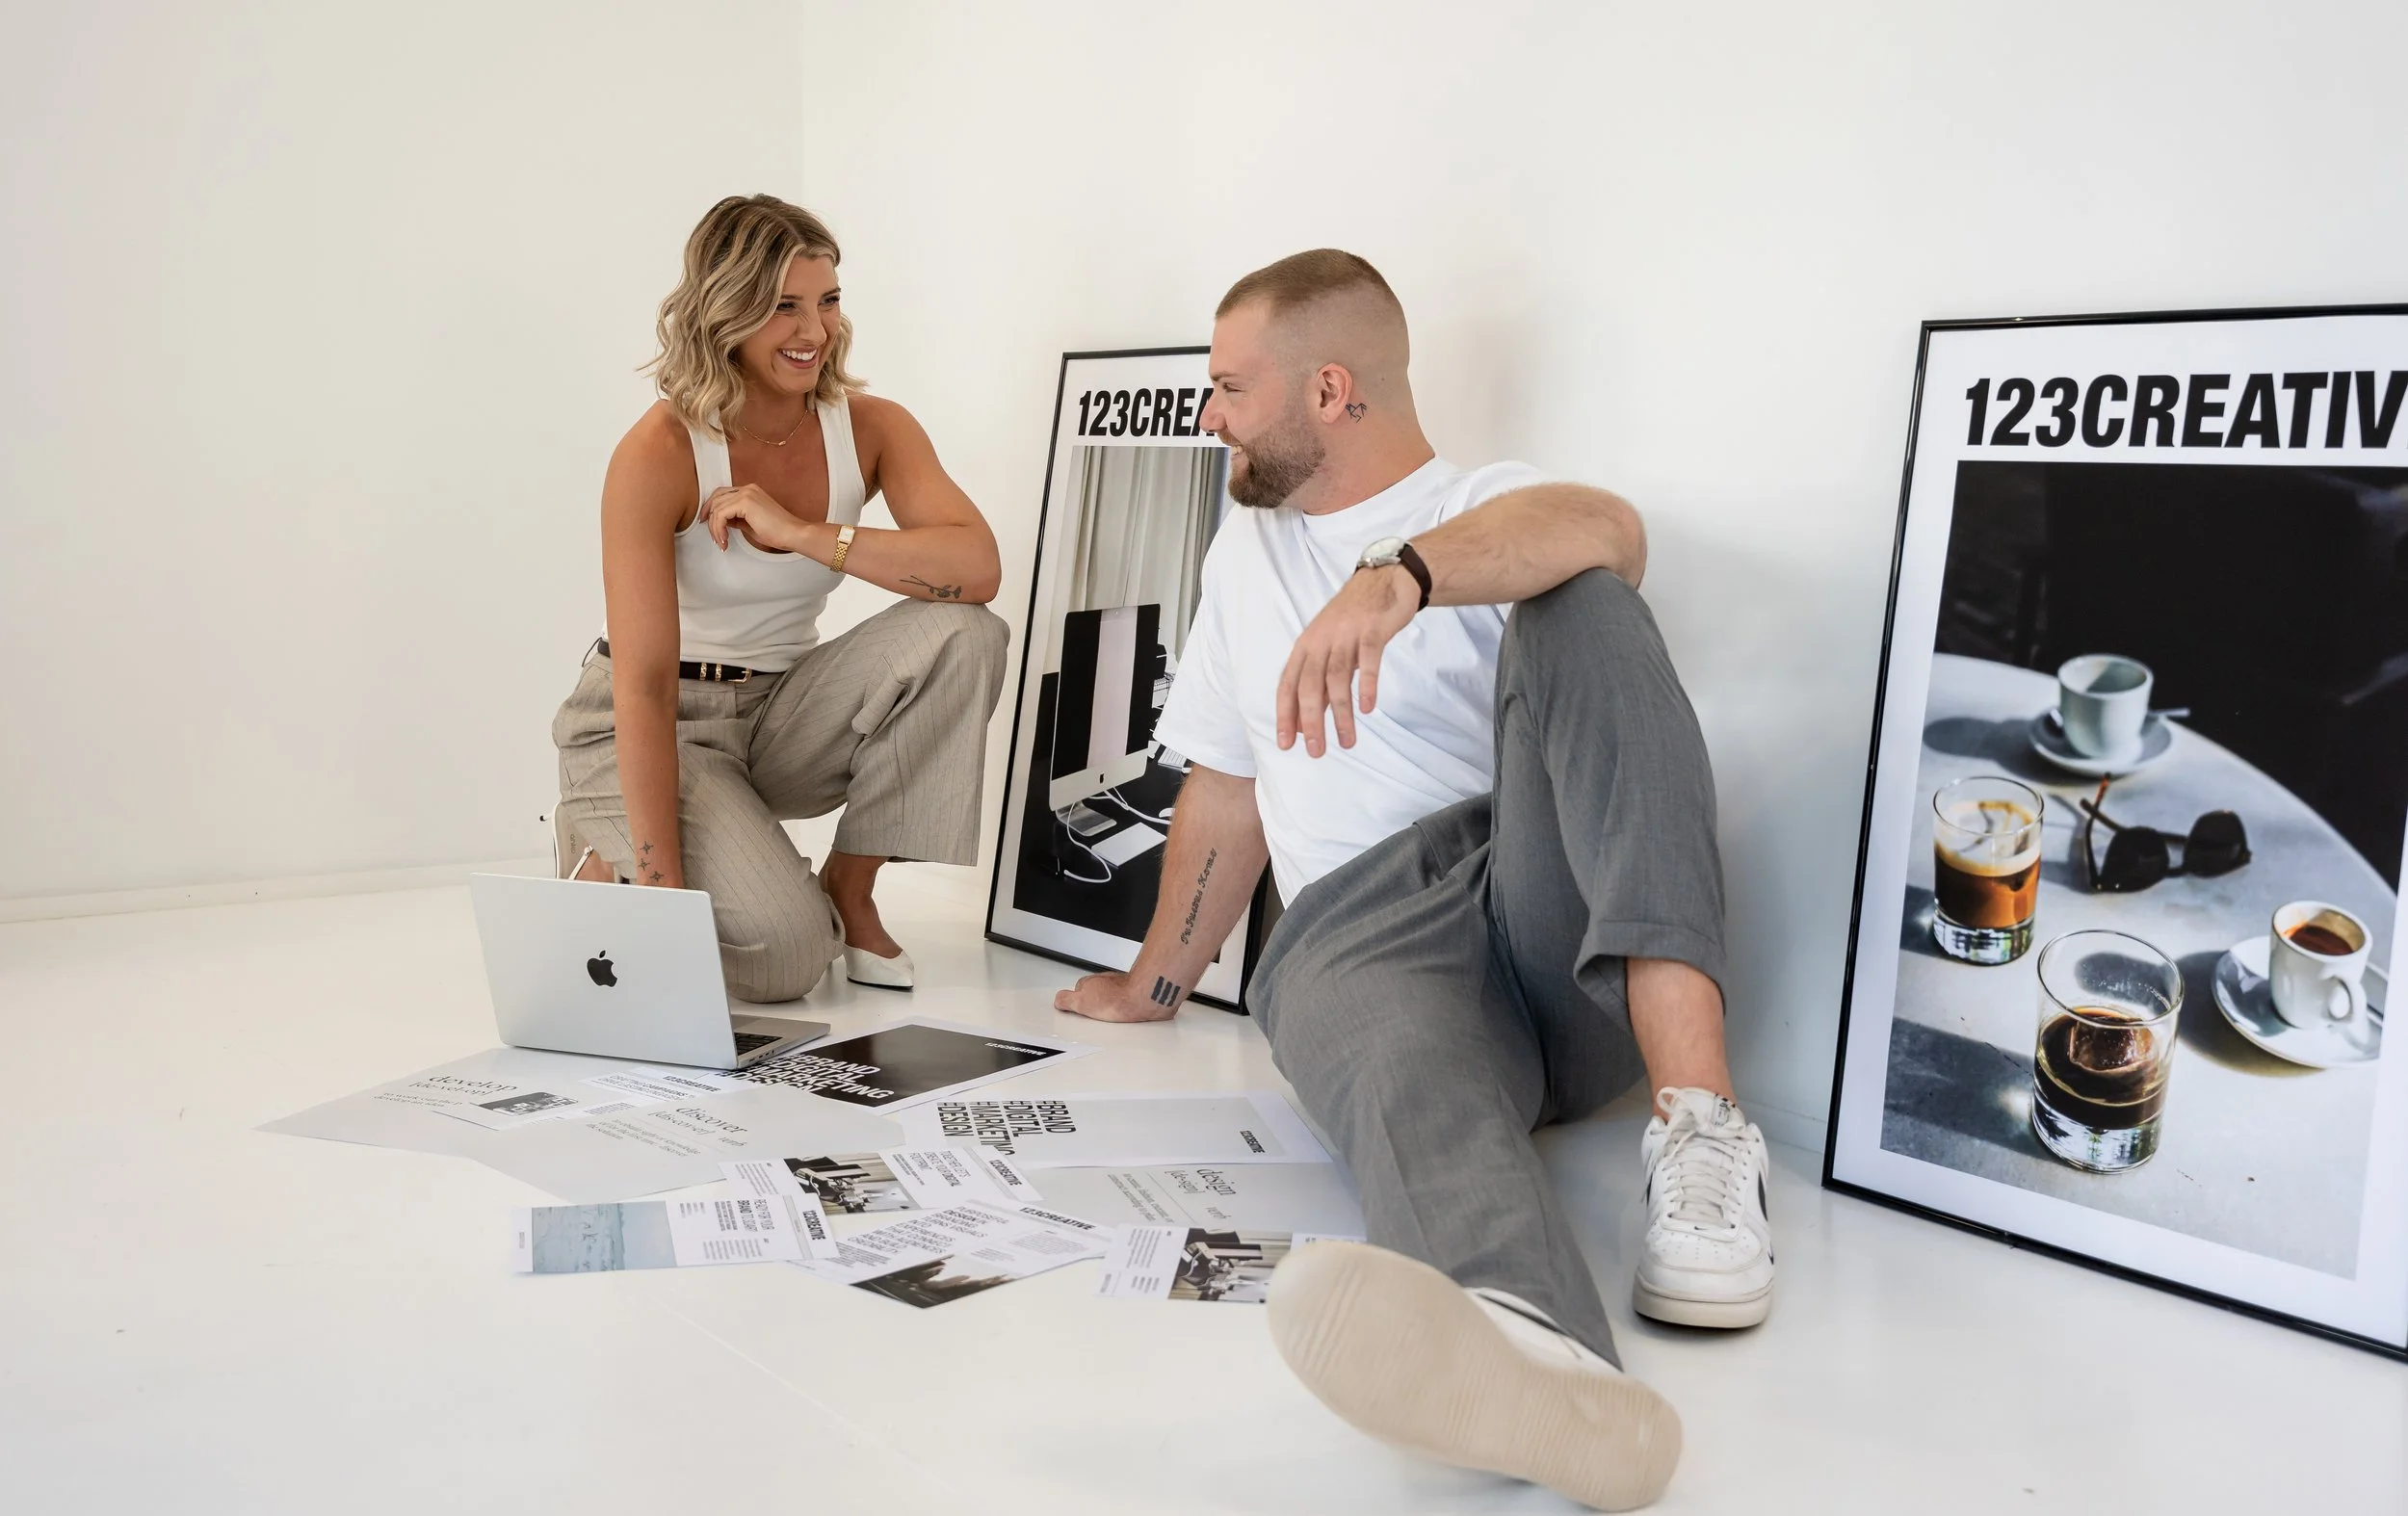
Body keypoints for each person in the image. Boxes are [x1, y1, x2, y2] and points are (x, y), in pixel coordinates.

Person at [1055, 250, 1772, 1510]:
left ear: (1330, 389)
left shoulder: (1489, 502)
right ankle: (1539, 1357)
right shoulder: (1245, 556)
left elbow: (1611, 532)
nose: (1209, 413)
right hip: (1367, 940)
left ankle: (1704, 1136)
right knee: (1398, 1069)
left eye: (1229, 386)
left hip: (1539, 914)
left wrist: (1405, 576)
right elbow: (1225, 785)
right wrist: (1156, 978)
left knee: (1587, 604)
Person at [553, 196, 1008, 999]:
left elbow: (976, 568)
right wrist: (662, 899)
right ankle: (607, 848)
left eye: (827, 302)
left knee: (964, 634)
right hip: (653, 726)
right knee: (788, 961)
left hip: (779, 715)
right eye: (782, 307)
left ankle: (849, 891)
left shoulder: (869, 427)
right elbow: (645, 686)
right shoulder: (659, 452)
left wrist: (804, 531)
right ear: (724, 311)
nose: (813, 332)